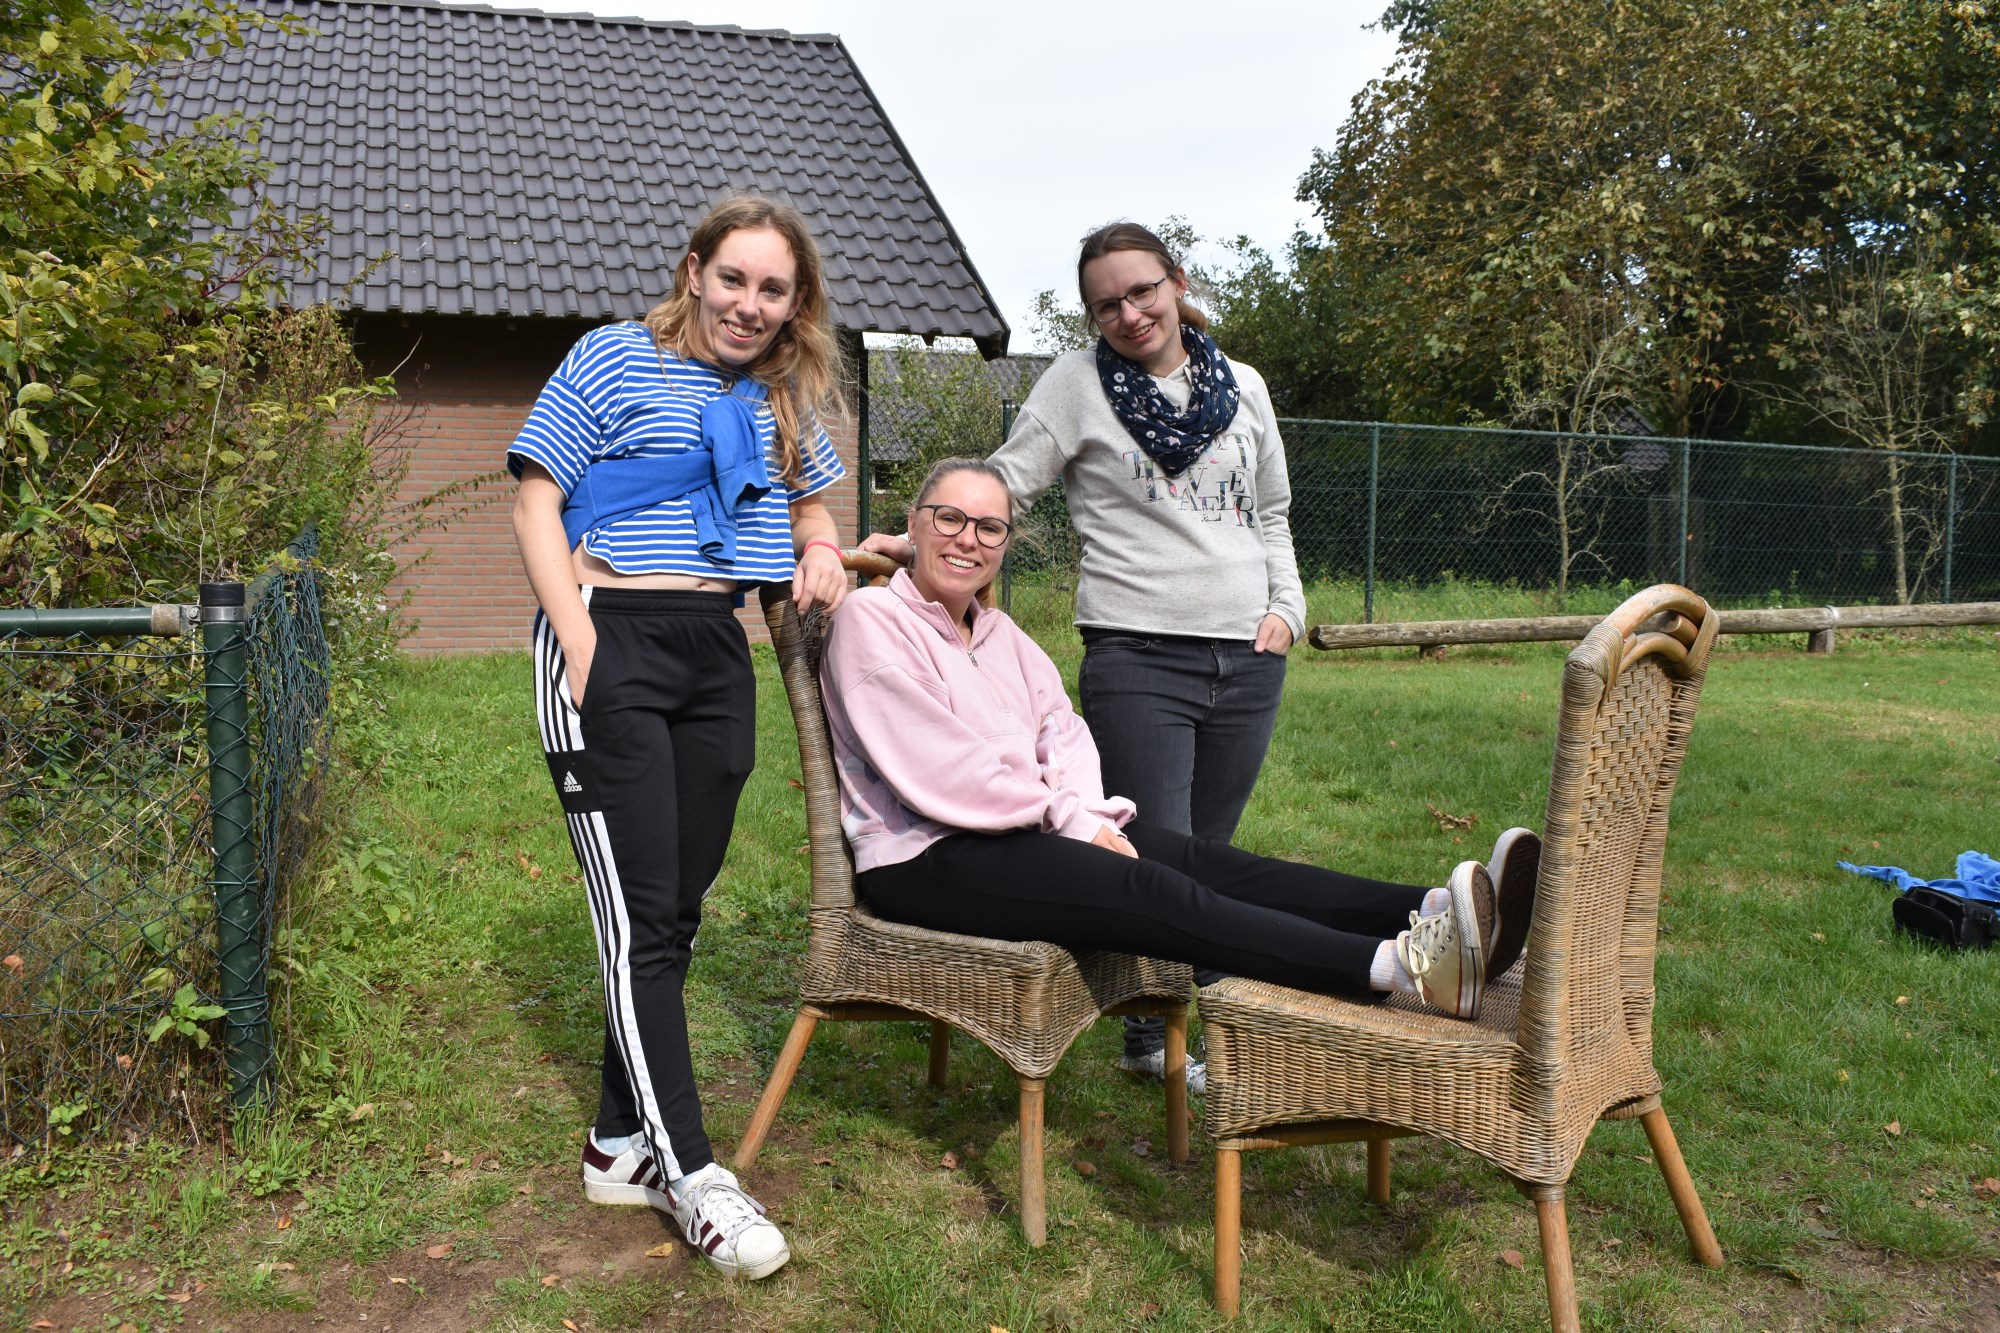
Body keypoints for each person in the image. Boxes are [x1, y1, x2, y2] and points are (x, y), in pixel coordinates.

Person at [866, 223, 1540, 1084]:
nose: (1128, 313)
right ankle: (1157, 1039)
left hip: (1246, 656)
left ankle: (1449, 915)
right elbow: (998, 489)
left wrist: (1287, 610)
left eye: (1141, 291)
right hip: (1139, 653)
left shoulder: (1243, 385)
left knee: (1212, 860)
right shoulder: (1075, 385)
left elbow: (1272, 513)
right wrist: (923, 541)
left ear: (1176, 282)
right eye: (1106, 304)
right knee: (1157, 867)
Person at [826, 459, 1528, 1028]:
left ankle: (1441, 910)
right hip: (927, 854)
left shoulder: (1000, 633)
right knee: (1156, 888)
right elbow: (942, 770)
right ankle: (1407, 968)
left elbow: (1062, 733)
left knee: (1210, 861)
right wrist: (1073, 824)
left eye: (989, 527)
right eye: (948, 518)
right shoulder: (873, 620)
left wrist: (1084, 814)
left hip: (1026, 831)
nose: (967, 539)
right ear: (912, 524)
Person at [508, 197, 851, 1281]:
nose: (749, 305)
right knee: (639, 919)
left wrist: (820, 545)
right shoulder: (613, 356)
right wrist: (581, 644)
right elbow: (534, 500)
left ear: (795, 303)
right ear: (694, 271)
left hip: (714, 647)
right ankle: (691, 1172)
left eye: (773, 289)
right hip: (608, 632)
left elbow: (809, 505)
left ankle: (615, 1139)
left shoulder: (781, 392)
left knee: (675, 909)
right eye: (733, 279)